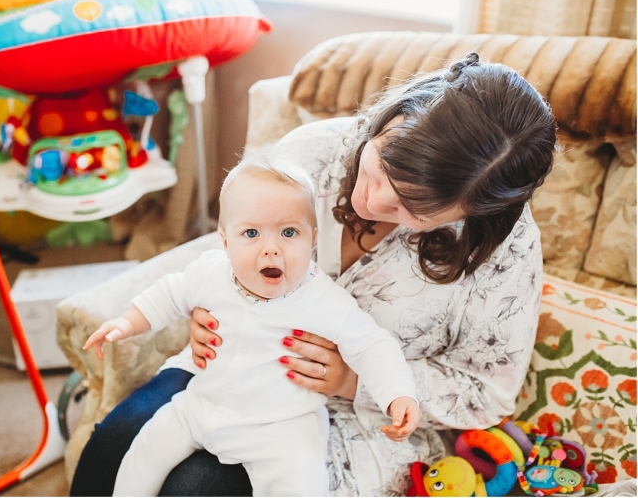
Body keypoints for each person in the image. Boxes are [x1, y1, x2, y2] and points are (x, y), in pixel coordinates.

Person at [70, 52, 557, 496]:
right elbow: (236, 237)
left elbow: (487, 390)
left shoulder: (504, 249)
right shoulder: (312, 154)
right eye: (383, 165)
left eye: (415, 208)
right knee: (111, 450)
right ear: (396, 114)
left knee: (195, 489)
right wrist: (212, 304)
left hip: (351, 420)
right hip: (224, 369)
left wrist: (352, 381)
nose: (376, 199)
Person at [83, 155, 420, 496]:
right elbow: (168, 295)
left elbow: (372, 345)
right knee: (143, 451)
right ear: (225, 240)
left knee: (302, 479)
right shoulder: (211, 273)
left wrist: (397, 394)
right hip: (202, 404)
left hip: (281, 427)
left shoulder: (323, 299)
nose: (271, 249)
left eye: (289, 232)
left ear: (312, 239)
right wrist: (126, 323)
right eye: (251, 233)